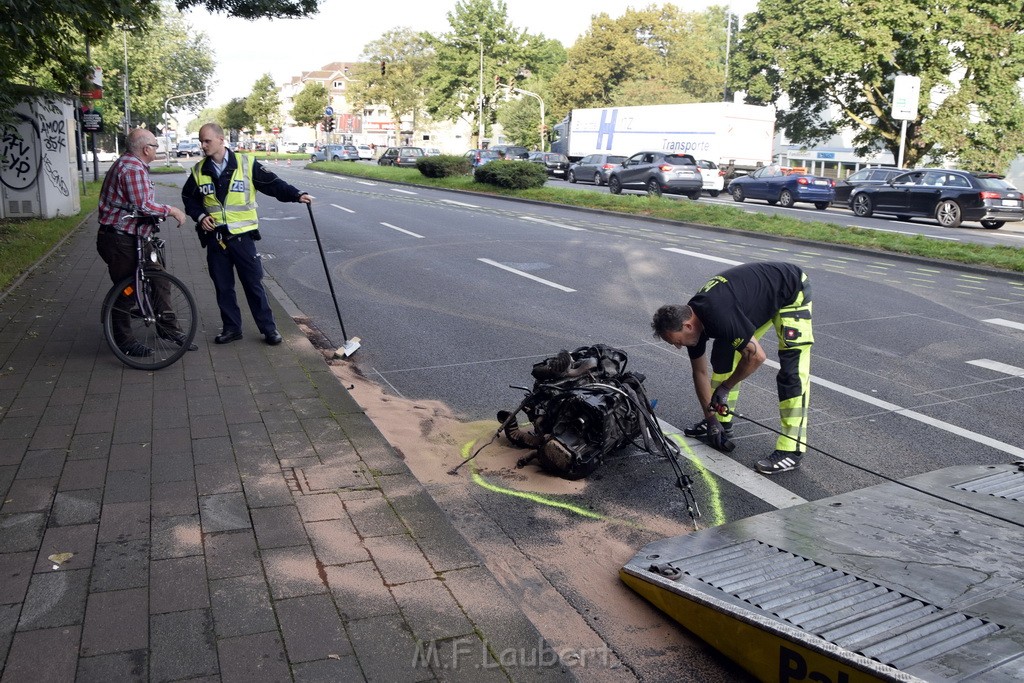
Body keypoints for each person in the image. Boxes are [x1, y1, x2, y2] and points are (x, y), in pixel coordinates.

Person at [651, 261, 813, 474]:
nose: (678, 347)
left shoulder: (718, 314)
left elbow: (757, 357)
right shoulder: (692, 322)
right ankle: (723, 423)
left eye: (677, 341)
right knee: (724, 356)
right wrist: (711, 419)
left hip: (790, 290)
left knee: (791, 374)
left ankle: (792, 450)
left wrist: (725, 388)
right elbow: (699, 372)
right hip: (758, 299)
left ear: (687, 326)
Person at [181, 123, 312, 345]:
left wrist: (296, 194)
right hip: (216, 239)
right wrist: (201, 216)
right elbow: (189, 198)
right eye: (201, 141)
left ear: (221, 140)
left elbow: (273, 184)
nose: (203, 146)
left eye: (207, 141)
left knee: (253, 285)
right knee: (223, 287)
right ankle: (232, 329)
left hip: (243, 238)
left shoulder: (246, 163)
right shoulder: (199, 171)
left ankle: (269, 329)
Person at [97, 128, 191, 357]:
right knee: (127, 290)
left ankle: (167, 328)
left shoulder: (134, 165)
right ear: (146, 149)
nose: (157, 149)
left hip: (134, 237)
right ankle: (124, 342)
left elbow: (138, 205)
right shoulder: (131, 168)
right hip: (120, 240)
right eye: (156, 146)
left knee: (159, 280)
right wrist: (172, 210)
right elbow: (143, 205)